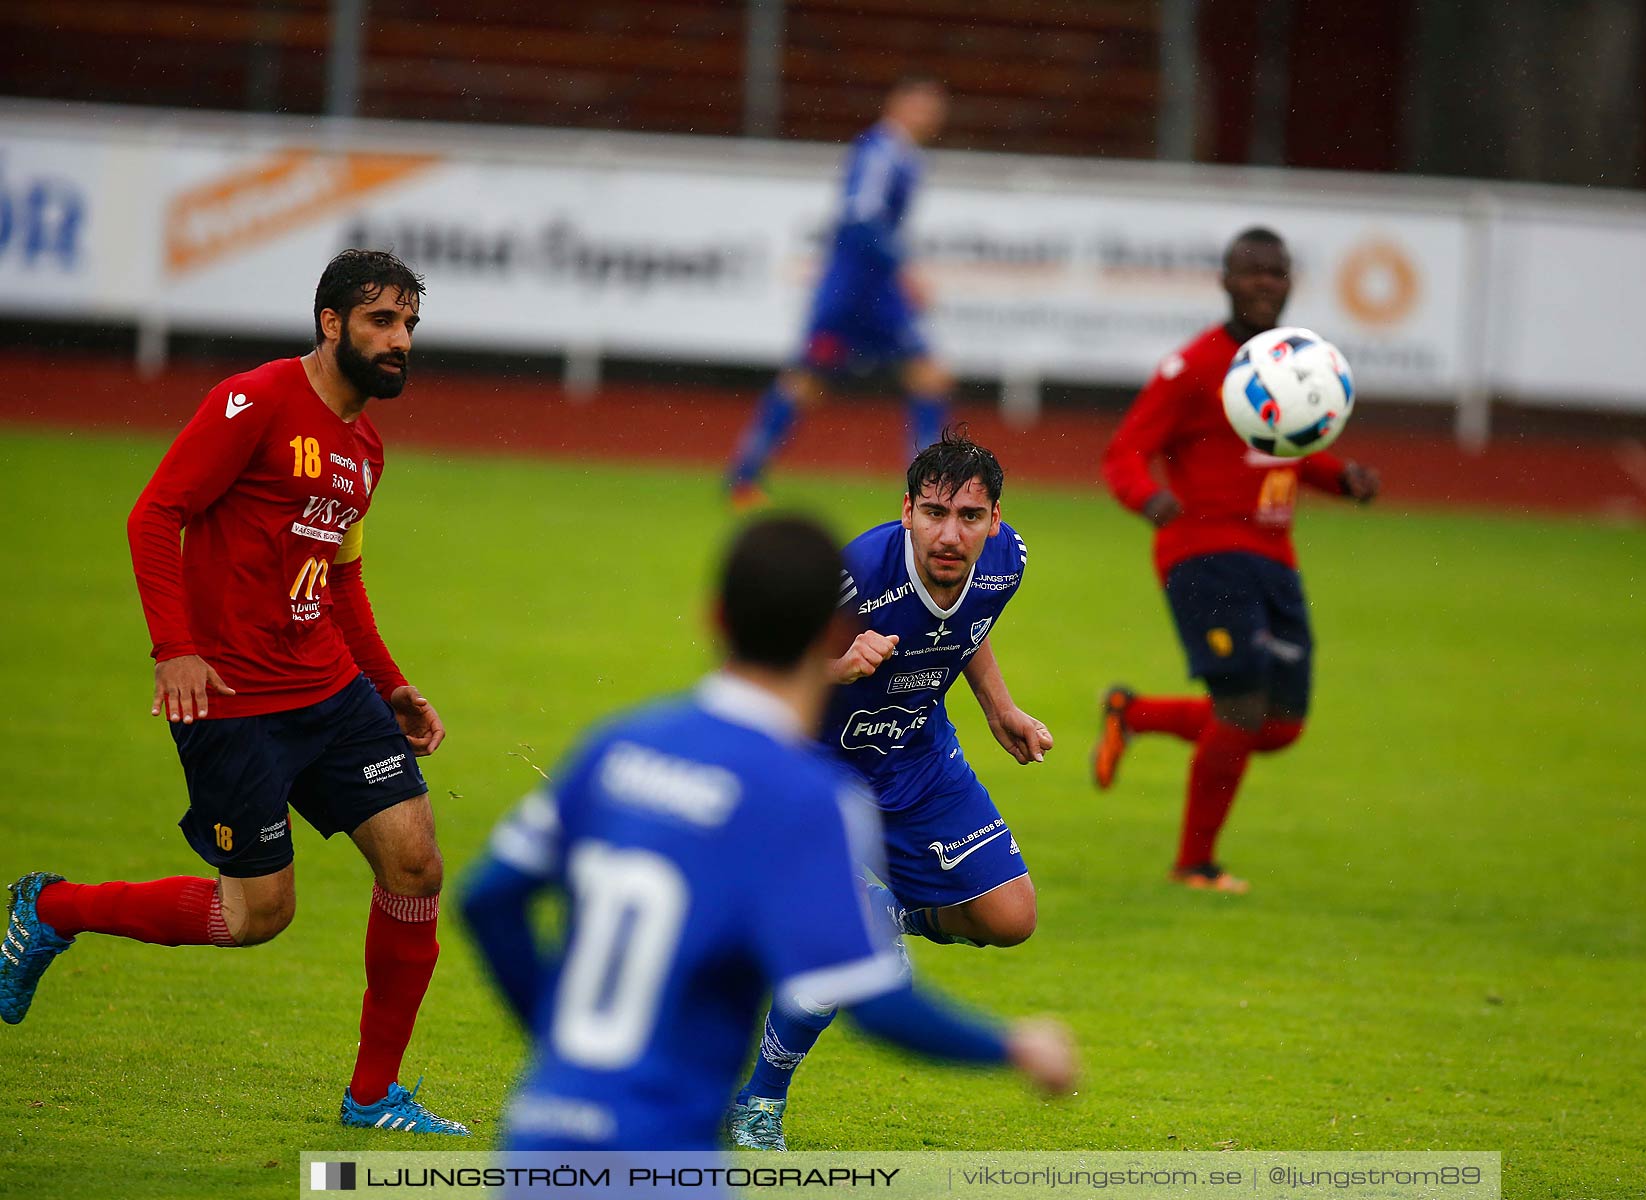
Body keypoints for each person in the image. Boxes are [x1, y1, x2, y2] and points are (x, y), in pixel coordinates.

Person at [0, 250, 467, 1134]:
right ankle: (51, 906)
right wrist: (173, 649)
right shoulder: (252, 400)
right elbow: (155, 514)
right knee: (258, 915)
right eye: (381, 321)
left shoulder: (366, 448)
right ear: (332, 324)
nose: (400, 339)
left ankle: (373, 1098)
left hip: (330, 691)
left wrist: (390, 685)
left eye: (409, 323)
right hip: (231, 698)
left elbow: (339, 581)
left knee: (415, 864)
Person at [458, 516, 1076, 1157]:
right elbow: (877, 1004)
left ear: (713, 619)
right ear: (832, 634)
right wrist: (1013, 1047)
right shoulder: (803, 797)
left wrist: (556, 1032)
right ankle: (765, 1095)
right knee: (825, 938)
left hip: (539, 1136)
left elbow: (485, 900)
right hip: (666, 1144)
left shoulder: (616, 744)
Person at [726, 430, 1053, 1150]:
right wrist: (836, 667)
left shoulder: (1007, 562)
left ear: (994, 520)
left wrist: (1001, 707)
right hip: (819, 769)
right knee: (839, 948)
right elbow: (758, 674)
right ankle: (759, 1106)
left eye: (970, 517)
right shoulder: (852, 576)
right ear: (907, 510)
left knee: (1009, 916)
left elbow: (971, 624)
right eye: (935, 512)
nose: (950, 532)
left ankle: (883, 914)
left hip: (915, 756)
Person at [1095, 227, 1380, 894]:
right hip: (1205, 552)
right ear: (1225, 280)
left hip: (1277, 556)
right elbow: (1122, 452)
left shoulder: (1290, 363)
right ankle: (1194, 864)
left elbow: (1288, 445)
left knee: (1278, 726)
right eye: (1251, 272)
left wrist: (1341, 478)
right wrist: (1147, 496)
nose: (1263, 284)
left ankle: (1133, 715)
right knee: (1242, 706)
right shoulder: (1193, 365)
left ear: (1288, 283)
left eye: (1275, 273)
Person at [725, 78, 956, 507]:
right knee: (809, 382)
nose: (928, 116)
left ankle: (928, 488)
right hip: (855, 293)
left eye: (934, 108)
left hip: (872, 292)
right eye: (920, 106)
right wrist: (904, 271)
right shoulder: (880, 152)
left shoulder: (904, 158)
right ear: (896, 104)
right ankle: (743, 478)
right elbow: (860, 220)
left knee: (927, 378)